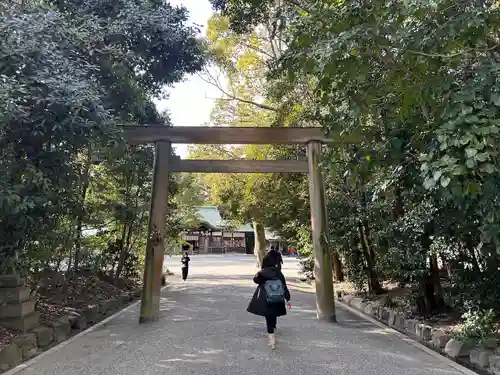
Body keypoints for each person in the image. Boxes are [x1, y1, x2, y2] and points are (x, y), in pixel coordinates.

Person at [247, 254, 291, 349]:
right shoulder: (278, 273)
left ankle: (272, 340)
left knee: (268, 317)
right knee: (273, 314)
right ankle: (273, 328)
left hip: (266, 298)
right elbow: (284, 285)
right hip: (278, 298)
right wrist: (288, 298)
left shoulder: (262, 273)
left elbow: (255, 280)